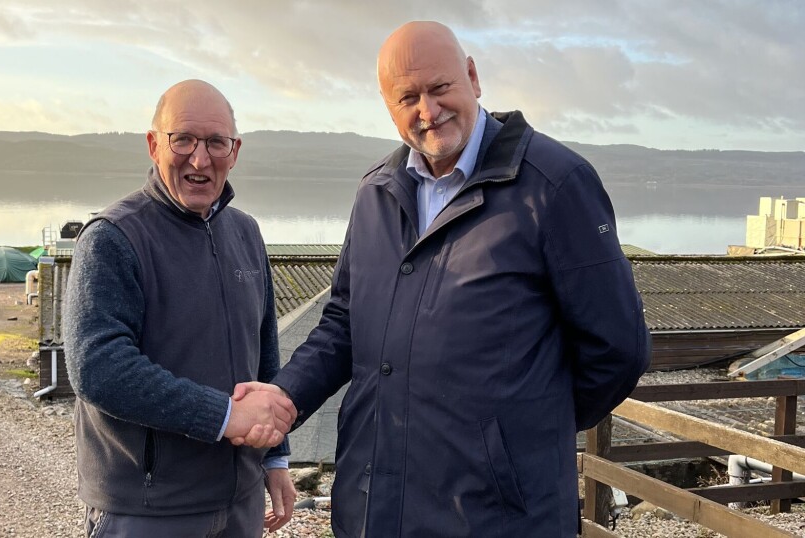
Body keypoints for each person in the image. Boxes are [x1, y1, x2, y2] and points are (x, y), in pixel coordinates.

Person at [234, 21, 650, 537]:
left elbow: (618, 350)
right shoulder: (376, 193)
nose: (428, 111)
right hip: (376, 509)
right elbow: (344, 324)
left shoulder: (554, 185)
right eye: (408, 97)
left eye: (440, 88)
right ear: (388, 106)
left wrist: (515, 436)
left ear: (472, 77)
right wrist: (285, 397)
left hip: (499, 517)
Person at [63, 79, 297, 537]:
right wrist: (225, 417)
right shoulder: (113, 237)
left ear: (236, 150)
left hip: (239, 501)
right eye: (183, 139)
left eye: (216, 142)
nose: (200, 158)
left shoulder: (246, 233)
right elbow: (99, 368)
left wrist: (275, 457)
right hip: (149, 509)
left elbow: (263, 355)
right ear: (154, 145)